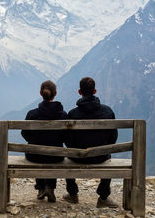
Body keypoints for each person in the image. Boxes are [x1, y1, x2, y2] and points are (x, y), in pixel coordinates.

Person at [63, 77, 119, 208]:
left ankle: (72, 194)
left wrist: (76, 150)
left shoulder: (72, 114)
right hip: (101, 157)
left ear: (79, 92)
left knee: (66, 155)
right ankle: (103, 197)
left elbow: (67, 139)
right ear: (95, 91)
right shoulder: (108, 111)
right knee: (108, 155)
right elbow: (113, 137)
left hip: (77, 157)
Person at [21, 80, 67, 202]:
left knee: (37, 149)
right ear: (55, 94)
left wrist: (34, 141)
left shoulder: (32, 114)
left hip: (34, 155)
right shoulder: (63, 115)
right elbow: (66, 136)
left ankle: (41, 188)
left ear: (40, 93)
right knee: (53, 152)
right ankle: (50, 188)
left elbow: (24, 133)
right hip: (56, 155)